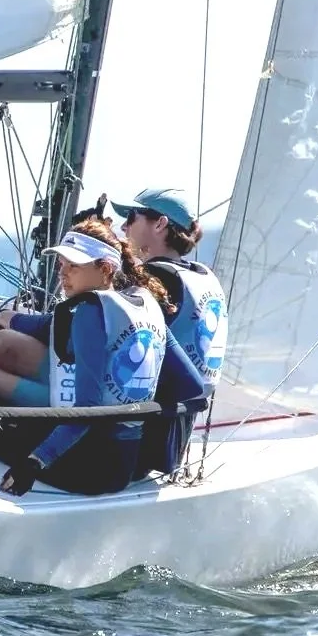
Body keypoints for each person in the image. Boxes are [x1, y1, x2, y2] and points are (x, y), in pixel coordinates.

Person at [0, 218, 205, 496]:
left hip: (87, 468)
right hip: (126, 462)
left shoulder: (88, 313)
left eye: (74, 266)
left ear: (105, 268)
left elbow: (89, 409)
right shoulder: (146, 304)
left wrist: (35, 462)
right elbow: (192, 387)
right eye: (61, 265)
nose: (63, 275)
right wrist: (137, 408)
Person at [111, 187, 228, 475]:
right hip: (175, 437)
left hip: (137, 439)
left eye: (132, 217)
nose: (123, 226)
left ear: (160, 224)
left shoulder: (156, 279)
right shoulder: (202, 275)